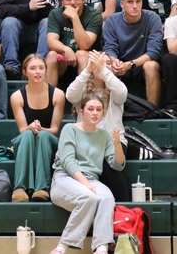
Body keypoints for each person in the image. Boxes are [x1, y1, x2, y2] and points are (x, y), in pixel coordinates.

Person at [49, 97, 125, 254]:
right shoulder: (70, 129)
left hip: (91, 179)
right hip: (65, 178)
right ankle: (62, 247)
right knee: (88, 197)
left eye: (99, 109)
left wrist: (117, 145)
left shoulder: (104, 135)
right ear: (81, 112)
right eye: (91, 109)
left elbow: (117, 164)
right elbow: (67, 161)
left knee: (107, 198)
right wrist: (86, 184)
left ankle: (102, 247)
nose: (95, 112)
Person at [65, 51, 129, 200]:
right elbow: (70, 95)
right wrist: (88, 69)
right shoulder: (82, 89)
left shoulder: (114, 90)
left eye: (107, 63)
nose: (102, 66)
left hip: (113, 142)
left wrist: (103, 69)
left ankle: (123, 210)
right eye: (98, 63)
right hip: (85, 142)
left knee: (109, 167)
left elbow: (123, 92)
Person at [10, 54, 66, 202]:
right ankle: (19, 188)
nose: (37, 72)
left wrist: (40, 129)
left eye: (41, 68)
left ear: (46, 70)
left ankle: (42, 188)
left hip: (48, 141)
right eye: (33, 68)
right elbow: (22, 130)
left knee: (42, 136)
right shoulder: (17, 96)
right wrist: (31, 127)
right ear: (24, 72)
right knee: (27, 135)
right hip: (26, 141)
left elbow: (54, 129)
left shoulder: (58, 94)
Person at [102, 0, 164, 106]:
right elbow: (110, 47)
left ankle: (152, 110)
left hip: (140, 65)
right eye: (130, 2)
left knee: (151, 66)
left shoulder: (153, 18)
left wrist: (130, 65)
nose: (135, 6)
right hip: (119, 64)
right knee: (103, 63)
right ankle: (103, 109)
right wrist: (115, 61)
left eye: (138, 1)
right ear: (122, 4)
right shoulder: (112, 20)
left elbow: (154, 52)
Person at [46, 0, 103, 88]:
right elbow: (51, 41)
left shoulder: (94, 16)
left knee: (81, 54)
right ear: (62, 1)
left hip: (86, 62)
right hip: (63, 61)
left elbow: (84, 45)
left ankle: (85, 101)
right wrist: (66, 49)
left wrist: (74, 17)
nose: (73, 3)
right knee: (51, 55)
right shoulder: (55, 14)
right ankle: (50, 98)